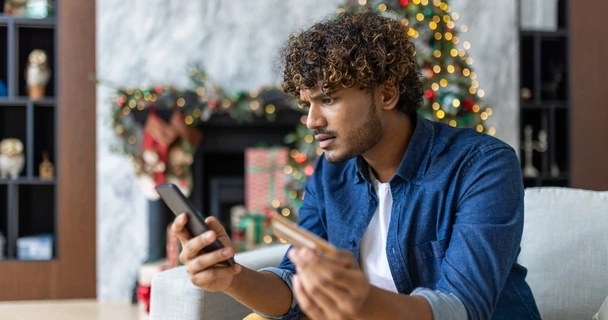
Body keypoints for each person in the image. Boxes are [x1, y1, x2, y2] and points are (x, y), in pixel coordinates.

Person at [171, 10, 541, 320]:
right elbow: (293, 288)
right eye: (307, 104)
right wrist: (230, 276)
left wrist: (358, 299)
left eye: (327, 99)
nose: (311, 121)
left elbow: (462, 308)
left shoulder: (482, 166)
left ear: (387, 94)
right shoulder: (331, 174)